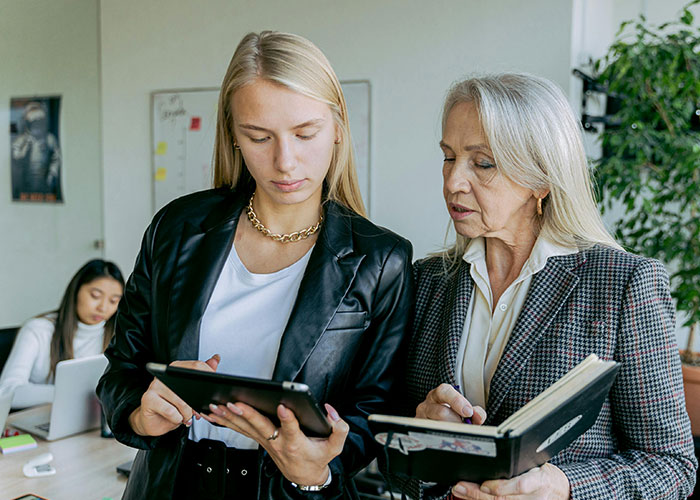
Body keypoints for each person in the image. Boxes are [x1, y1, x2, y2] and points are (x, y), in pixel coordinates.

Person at [97, 31, 413, 500]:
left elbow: (376, 412)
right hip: (167, 486)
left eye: (306, 134)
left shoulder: (381, 260)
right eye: (259, 137)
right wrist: (142, 414)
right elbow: (122, 368)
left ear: (339, 128)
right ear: (234, 137)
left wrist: (316, 471)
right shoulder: (177, 228)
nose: (286, 162)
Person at [402, 73, 697, 499]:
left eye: (482, 163)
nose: (453, 182)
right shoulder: (427, 281)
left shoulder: (624, 284)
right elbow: (388, 457)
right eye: (449, 157)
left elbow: (672, 467)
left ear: (541, 179)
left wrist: (565, 486)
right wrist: (424, 442)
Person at [0, 259, 124, 409]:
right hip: (37, 418)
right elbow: (7, 392)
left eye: (113, 301)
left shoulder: (117, 335)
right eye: (95, 296)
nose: (103, 307)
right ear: (76, 290)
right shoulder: (38, 330)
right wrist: (68, 395)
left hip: (90, 420)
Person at [11, 101, 62, 201]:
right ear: (27, 124)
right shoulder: (21, 140)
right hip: (25, 182)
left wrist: (52, 172)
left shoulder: (49, 138)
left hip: (45, 183)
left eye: (40, 122)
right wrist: (25, 147)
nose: (38, 126)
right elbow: (15, 158)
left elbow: (56, 157)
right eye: (34, 123)